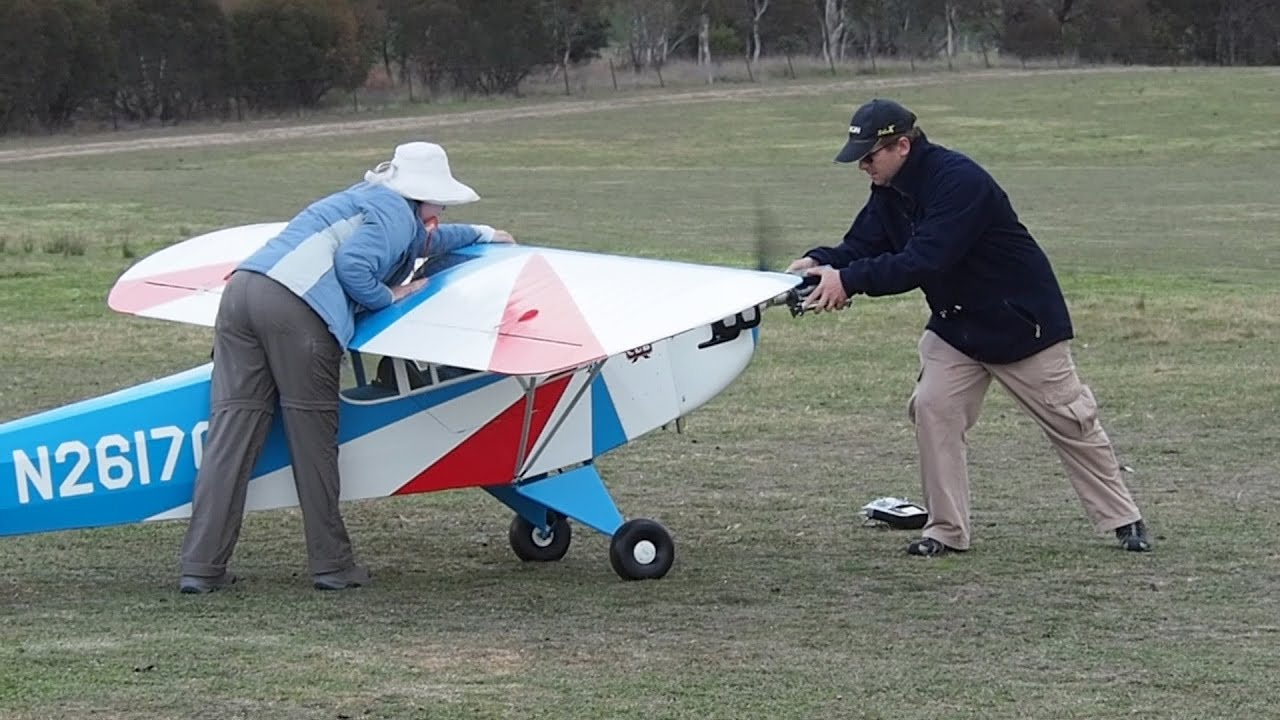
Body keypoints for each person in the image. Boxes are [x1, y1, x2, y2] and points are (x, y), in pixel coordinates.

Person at [787, 98, 1151, 557]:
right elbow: (862, 244)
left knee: (1072, 420)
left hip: (1021, 325)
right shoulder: (889, 190)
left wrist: (850, 281)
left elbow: (925, 259)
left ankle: (1124, 520)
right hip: (956, 327)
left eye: (868, 156)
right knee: (933, 408)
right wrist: (822, 262)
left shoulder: (959, 182)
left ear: (902, 145)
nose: (862, 166)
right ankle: (946, 532)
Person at [178, 141, 515, 593]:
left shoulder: (367, 201)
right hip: (297, 312)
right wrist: (388, 296)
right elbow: (354, 265)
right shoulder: (397, 214)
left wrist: (484, 233)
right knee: (313, 439)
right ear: (424, 196)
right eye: (440, 201)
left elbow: (426, 240)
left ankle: (201, 568)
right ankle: (332, 565)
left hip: (242, 294)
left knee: (231, 435)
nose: (441, 210)